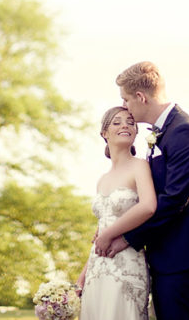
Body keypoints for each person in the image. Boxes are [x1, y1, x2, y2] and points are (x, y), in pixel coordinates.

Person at [95, 61, 189, 320]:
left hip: (184, 258)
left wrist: (128, 239)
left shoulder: (184, 131)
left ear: (140, 97)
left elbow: (174, 199)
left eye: (126, 100)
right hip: (167, 258)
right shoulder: (164, 132)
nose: (125, 106)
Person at [76, 106, 157, 320]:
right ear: (104, 133)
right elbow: (98, 237)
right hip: (97, 269)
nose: (125, 125)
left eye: (130, 122)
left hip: (127, 265)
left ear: (136, 133)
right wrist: (82, 277)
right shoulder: (102, 180)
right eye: (117, 122)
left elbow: (149, 206)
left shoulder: (140, 166)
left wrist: (108, 234)